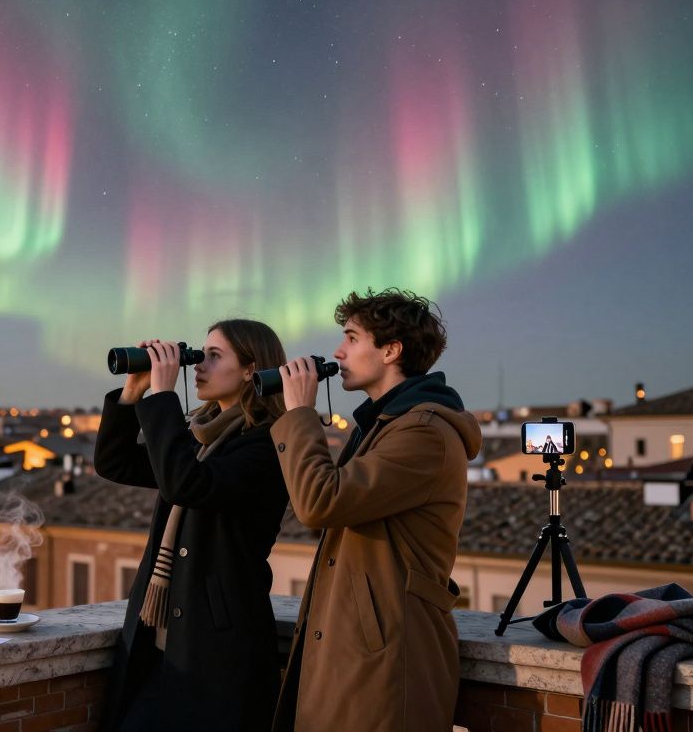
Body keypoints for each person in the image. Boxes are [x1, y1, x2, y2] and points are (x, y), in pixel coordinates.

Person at [272, 288, 482, 731]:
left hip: (388, 659)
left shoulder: (423, 433)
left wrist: (300, 413)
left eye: (351, 338)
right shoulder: (384, 424)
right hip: (355, 650)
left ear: (391, 350)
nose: (337, 351)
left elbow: (319, 502)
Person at [95, 319, 289, 732]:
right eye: (199, 355)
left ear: (252, 369)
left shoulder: (267, 444)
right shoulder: (198, 439)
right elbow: (115, 463)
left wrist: (165, 394)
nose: (197, 366)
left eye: (213, 357)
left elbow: (187, 485)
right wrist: (134, 392)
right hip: (164, 648)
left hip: (219, 650)